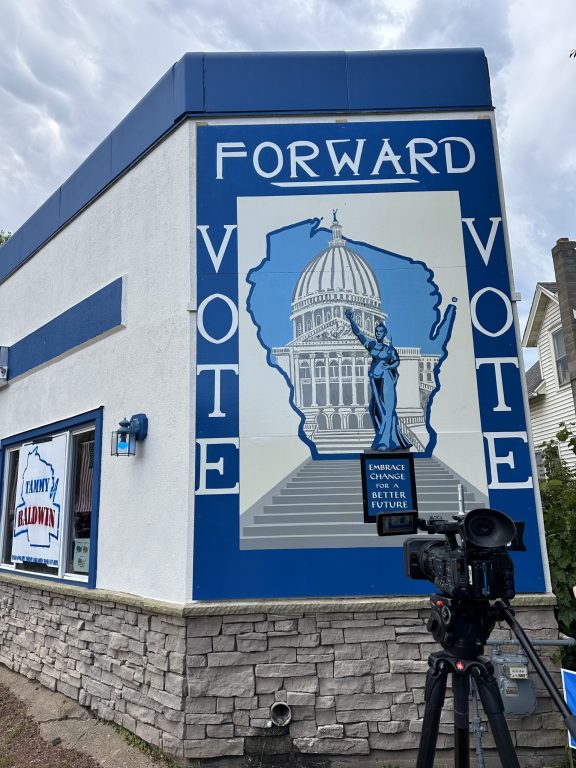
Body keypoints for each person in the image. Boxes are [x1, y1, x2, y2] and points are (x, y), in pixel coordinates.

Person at [345, 309, 412, 452]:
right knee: (374, 409)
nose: (378, 333)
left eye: (380, 332)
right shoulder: (371, 345)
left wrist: (389, 365)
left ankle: (385, 442)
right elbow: (359, 334)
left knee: (387, 410)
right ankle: (386, 438)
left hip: (386, 380)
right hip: (375, 382)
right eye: (376, 331)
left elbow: (396, 361)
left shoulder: (389, 349)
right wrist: (351, 320)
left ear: (385, 333)